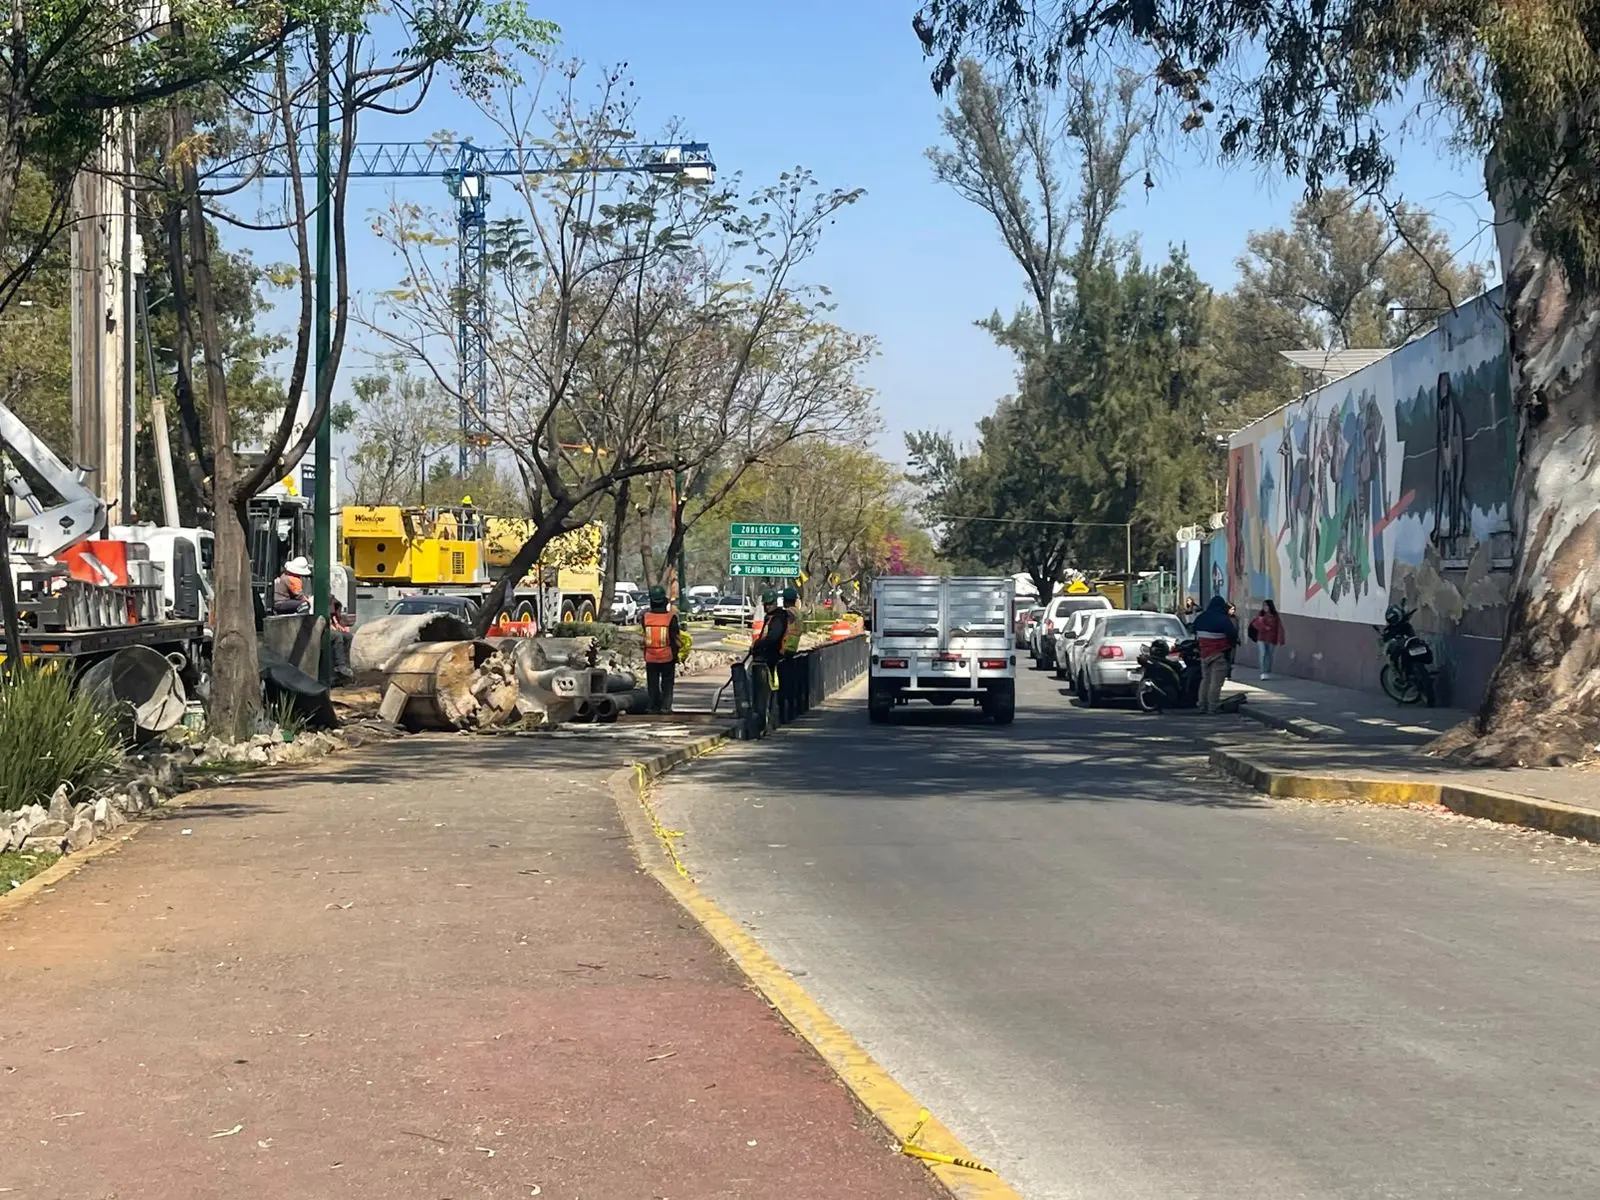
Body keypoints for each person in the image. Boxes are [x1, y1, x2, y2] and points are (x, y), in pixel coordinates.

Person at [749, 588, 790, 735]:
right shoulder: (771, 617)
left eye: (770, 604)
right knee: (765, 689)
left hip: (773, 659)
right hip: (766, 657)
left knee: (770, 690)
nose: (767, 607)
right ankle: (764, 718)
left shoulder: (778, 618)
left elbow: (773, 638)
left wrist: (759, 645)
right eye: (766, 604)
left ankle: (769, 720)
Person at [639, 585, 683, 714]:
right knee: (667, 684)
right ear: (664, 601)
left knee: (652, 684)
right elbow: (676, 639)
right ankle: (665, 707)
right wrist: (676, 655)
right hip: (667, 656)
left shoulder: (645, 617)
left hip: (650, 656)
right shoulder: (671, 618)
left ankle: (653, 707)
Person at [1192, 594, 1239, 714]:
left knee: (1205, 680)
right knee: (1216, 682)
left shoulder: (1201, 618)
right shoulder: (1223, 619)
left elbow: (1194, 631)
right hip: (1219, 654)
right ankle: (1213, 706)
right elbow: (1232, 635)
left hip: (1204, 654)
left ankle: (1202, 705)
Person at [778, 585, 803, 720]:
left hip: (785, 649)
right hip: (792, 649)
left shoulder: (789, 613)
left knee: (781, 684)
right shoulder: (798, 613)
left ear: (785, 600)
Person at [1249, 599, 1284, 680]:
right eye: (1264, 605)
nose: (1265, 607)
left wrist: (1281, 639)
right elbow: (1255, 623)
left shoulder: (1275, 616)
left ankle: (1268, 671)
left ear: (1270, 606)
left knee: (1270, 655)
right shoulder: (1261, 614)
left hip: (1272, 638)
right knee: (1263, 654)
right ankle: (1263, 672)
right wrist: (1264, 627)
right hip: (1261, 638)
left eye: (1266, 605)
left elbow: (1279, 627)